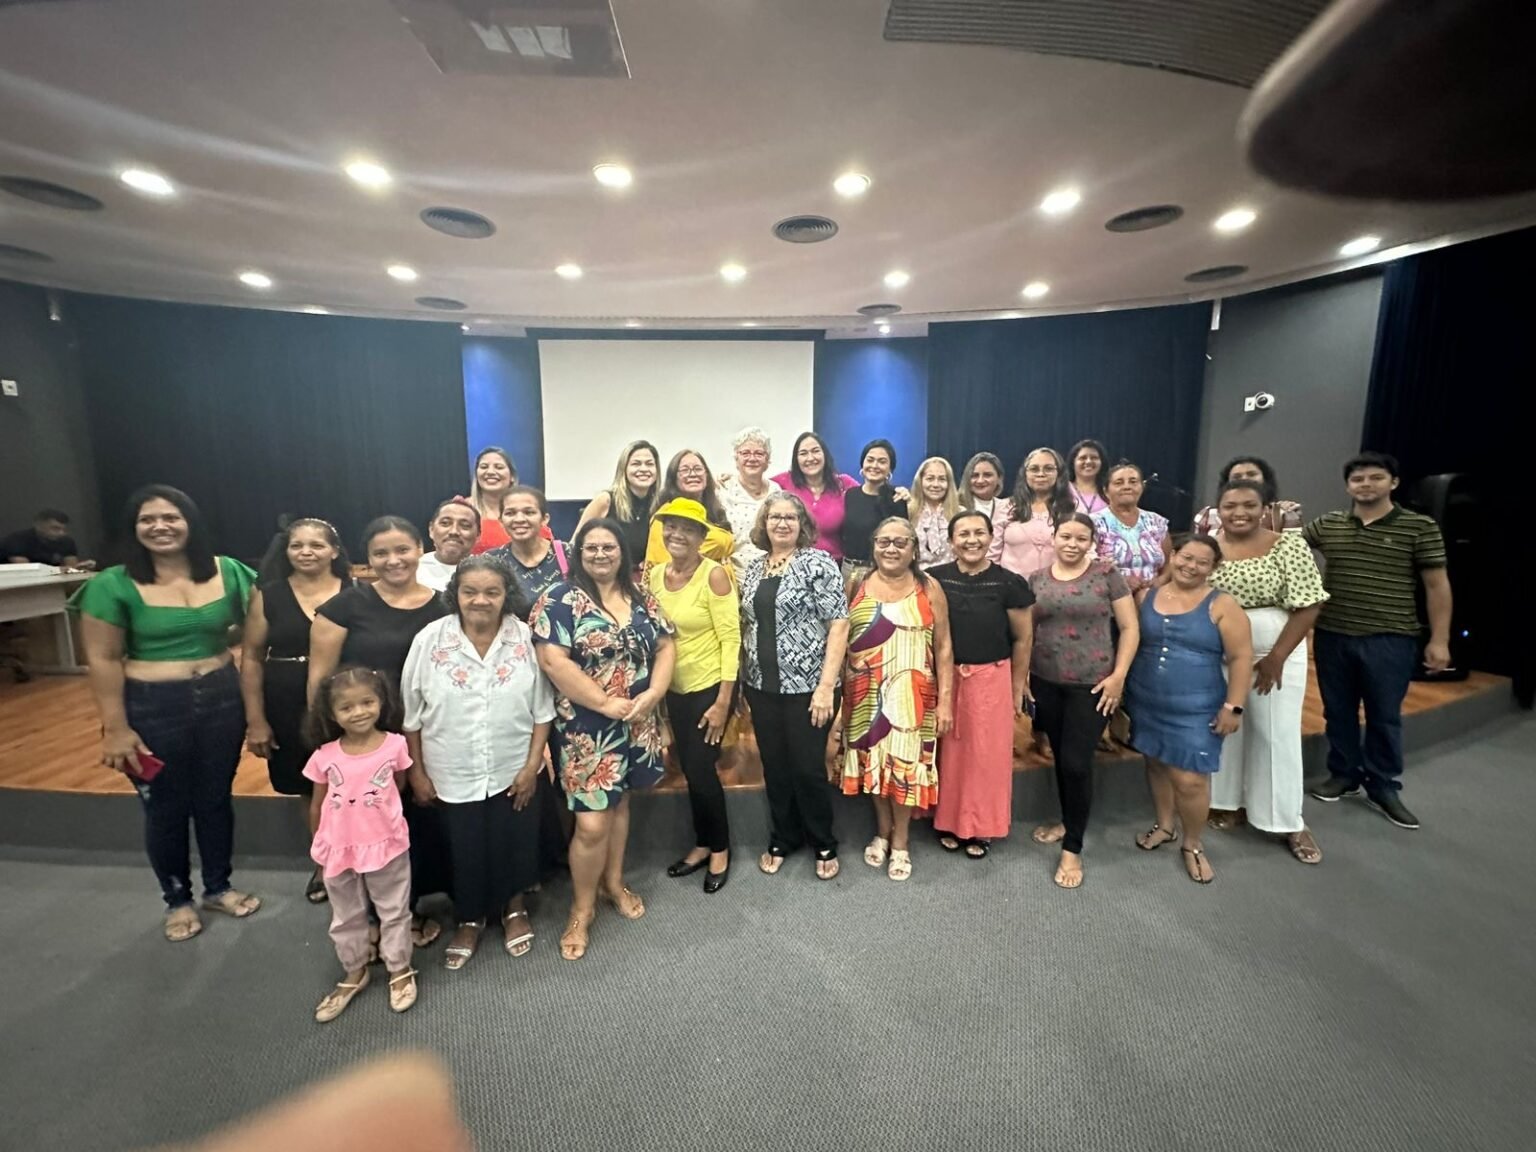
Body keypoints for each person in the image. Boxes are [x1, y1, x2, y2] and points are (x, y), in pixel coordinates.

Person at [73, 484, 261, 941]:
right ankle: (177, 899)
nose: (160, 526)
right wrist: (115, 728)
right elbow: (102, 659)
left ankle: (218, 886)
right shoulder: (111, 584)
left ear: (190, 522)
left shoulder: (228, 571)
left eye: (171, 517)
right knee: (164, 807)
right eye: (148, 519)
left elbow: (258, 628)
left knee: (215, 799)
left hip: (221, 698)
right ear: (133, 528)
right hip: (152, 706)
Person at [402, 556, 555, 970]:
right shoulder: (430, 640)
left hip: (513, 763)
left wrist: (531, 766)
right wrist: (417, 771)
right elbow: (411, 714)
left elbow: (543, 709)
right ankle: (469, 918)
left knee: (515, 838)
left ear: (507, 595)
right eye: (470, 591)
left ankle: (513, 908)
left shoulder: (525, 638)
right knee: (463, 846)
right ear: (456, 594)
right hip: (450, 767)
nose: (480, 600)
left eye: (492, 592)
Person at [532, 519, 675, 960]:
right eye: (590, 547)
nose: (599, 554)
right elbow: (552, 661)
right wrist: (603, 702)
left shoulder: (640, 595)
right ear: (579, 553)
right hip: (587, 728)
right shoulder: (559, 598)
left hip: (638, 719)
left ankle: (613, 882)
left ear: (622, 551)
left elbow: (666, 645)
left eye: (608, 547)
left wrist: (654, 693)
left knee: (621, 803)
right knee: (592, 822)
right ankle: (581, 909)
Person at [308, 516, 452, 947]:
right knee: (369, 824)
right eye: (381, 553)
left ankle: (409, 908)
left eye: (402, 550)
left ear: (420, 549)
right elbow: (321, 682)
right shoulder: (343, 608)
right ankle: (370, 915)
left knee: (417, 821)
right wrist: (331, 742)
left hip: (427, 735)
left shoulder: (444, 605)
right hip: (365, 740)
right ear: (367, 559)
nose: (394, 560)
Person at [1304, 452, 1452, 830]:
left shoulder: (1418, 527)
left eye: (1375, 478)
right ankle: (1344, 774)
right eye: (1358, 479)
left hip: (1391, 638)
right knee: (1337, 711)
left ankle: (1383, 785)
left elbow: (1437, 586)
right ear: (1347, 486)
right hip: (1334, 633)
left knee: (1384, 716)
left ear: (1394, 482)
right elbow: (1284, 546)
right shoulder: (1329, 524)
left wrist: (1440, 640)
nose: (1366, 485)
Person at [1205, 481, 1329, 864]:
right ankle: (1227, 803)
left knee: (1276, 734)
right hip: (1221, 651)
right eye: (1230, 506)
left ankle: (1288, 820)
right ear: (1219, 510)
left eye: (1249, 505)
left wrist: (1277, 656)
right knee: (1227, 729)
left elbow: (1309, 604)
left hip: (1274, 651)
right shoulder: (1210, 547)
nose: (1239, 512)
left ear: (1264, 509)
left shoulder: (1287, 544)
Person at [1127, 535, 1253, 884]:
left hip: (1197, 707)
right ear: (1174, 556)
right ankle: (1164, 825)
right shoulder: (1146, 596)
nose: (1190, 566)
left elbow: (1242, 657)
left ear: (1213, 567)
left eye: (1202, 562)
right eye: (1185, 557)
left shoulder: (1222, 604)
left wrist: (1234, 706)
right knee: (1155, 762)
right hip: (1146, 698)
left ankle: (1193, 843)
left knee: (1191, 780)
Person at [240, 517, 353, 903]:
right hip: (286, 699)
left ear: (334, 551)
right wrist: (256, 720)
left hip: (346, 698)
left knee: (352, 780)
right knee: (310, 784)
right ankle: (324, 863)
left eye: (316, 545)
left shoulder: (354, 590)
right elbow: (251, 657)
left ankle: (361, 856)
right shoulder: (268, 594)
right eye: (297, 545)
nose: (306, 552)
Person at [740, 494, 850, 881]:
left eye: (790, 517)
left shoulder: (817, 563)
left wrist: (826, 687)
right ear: (764, 523)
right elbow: (747, 624)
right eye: (775, 517)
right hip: (761, 685)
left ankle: (823, 841)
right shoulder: (753, 568)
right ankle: (783, 837)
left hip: (809, 687)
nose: (782, 523)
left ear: (802, 524)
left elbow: (839, 623)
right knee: (775, 766)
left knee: (807, 768)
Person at [1027, 513, 1139, 889]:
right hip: (1046, 680)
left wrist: (1118, 676)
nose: (1072, 544)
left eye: (1081, 538)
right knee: (1061, 757)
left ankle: (1073, 847)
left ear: (1091, 542)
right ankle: (1067, 821)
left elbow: (1129, 627)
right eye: (1066, 536)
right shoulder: (1037, 579)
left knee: (1076, 763)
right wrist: (1022, 676)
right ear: (1054, 537)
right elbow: (1028, 631)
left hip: (1093, 685)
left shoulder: (1106, 574)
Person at [840, 517, 954, 881]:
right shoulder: (856, 582)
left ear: (914, 550)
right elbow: (841, 641)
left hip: (912, 698)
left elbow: (944, 647)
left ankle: (901, 841)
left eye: (900, 542)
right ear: (873, 546)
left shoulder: (929, 587)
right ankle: (882, 831)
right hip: (864, 695)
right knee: (873, 765)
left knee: (904, 769)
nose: (891, 548)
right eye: (884, 541)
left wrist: (946, 701)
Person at [304, 667, 417, 1021]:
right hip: (338, 849)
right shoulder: (325, 755)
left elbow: (398, 785)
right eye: (347, 707)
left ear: (381, 702)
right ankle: (354, 969)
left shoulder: (395, 745)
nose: (359, 712)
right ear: (332, 713)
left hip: (386, 845)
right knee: (346, 915)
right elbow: (317, 804)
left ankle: (399, 968)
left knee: (394, 909)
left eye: (367, 702)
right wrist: (320, 849)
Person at [929, 511, 1035, 858]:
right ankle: (948, 821)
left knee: (985, 756)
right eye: (963, 534)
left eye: (979, 533)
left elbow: (1023, 639)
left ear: (991, 537)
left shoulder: (1010, 583)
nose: (971, 540)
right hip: (946, 678)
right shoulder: (935, 579)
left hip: (991, 679)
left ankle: (981, 826)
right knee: (949, 754)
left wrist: (1017, 686)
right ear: (951, 541)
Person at [647, 498, 740, 893]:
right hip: (674, 689)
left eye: (687, 528)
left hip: (711, 688)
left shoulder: (714, 575)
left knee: (702, 770)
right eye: (671, 526)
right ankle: (702, 842)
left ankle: (719, 848)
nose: (677, 534)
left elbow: (731, 639)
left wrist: (723, 703)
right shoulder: (655, 576)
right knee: (688, 768)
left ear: (702, 537)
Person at [770, 432, 859, 560]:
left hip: (834, 564)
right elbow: (756, 486)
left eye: (815, 451)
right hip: (792, 563)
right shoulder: (783, 482)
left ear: (825, 454)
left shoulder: (843, 483)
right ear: (796, 459)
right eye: (803, 453)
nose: (810, 458)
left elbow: (869, 495)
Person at [643, 449, 735, 568]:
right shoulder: (665, 515)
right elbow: (661, 563)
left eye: (698, 469)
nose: (692, 474)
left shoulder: (714, 510)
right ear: (673, 478)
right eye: (685, 470)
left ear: (706, 475)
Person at [992, 447, 1075, 579]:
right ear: (1025, 474)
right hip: (1010, 587)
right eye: (1034, 469)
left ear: (1059, 473)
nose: (1041, 474)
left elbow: (1085, 550)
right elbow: (992, 555)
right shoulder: (1005, 507)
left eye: (1048, 469)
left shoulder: (1073, 508)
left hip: (1059, 586)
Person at [578, 440, 660, 567]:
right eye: (636, 464)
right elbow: (576, 544)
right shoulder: (605, 500)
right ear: (624, 469)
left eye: (649, 464)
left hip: (640, 577)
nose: (644, 469)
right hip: (604, 574)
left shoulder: (660, 506)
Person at [1093, 460, 1171, 591]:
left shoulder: (1156, 521)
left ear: (1142, 487)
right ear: (1106, 491)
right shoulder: (1093, 522)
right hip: (1109, 593)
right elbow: (1085, 565)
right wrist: (1120, 581)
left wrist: (1159, 582)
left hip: (1153, 593)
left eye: (1133, 482)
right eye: (1119, 483)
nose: (1127, 487)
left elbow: (1169, 563)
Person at [718, 426, 781, 580]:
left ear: (767, 460)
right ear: (736, 459)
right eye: (745, 453)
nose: (752, 458)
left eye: (759, 453)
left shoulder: (776, 491)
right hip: (732, 577)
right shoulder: (723, 489)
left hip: (771, 575)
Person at [492, 485, 570, 605]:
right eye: (510, 513)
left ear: (544, 519)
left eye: (529, 512)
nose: (519, 519)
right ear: (501, 521)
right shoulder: (491, 561)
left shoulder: (570, 554)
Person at [1193, 456, 1304, 537]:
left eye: (1251, 474)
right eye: (1237, 476)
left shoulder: (1282, 513)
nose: (1244, 479)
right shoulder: (1207, 514)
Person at [417, 498, 479, 591]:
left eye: (465, 525)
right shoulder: (412, 569)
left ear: (478, 535)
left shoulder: (488, 572)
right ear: (431, 530)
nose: (454, 531)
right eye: (445, 523)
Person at [909, 456, 960, 569]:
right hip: (916, 575)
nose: (936, 484)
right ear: (920, 481)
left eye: (942, 479)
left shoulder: (960, 513)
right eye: (930, 478)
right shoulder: (908, 511)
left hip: (951, 576)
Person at [3, 508, 93, 568]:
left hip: (52, 581)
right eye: (55, 528)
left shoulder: (66, 541)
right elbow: (25, 570)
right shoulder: (17, 539)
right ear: (38, 525)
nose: (61, 533)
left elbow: (72, 569)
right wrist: (63, 570)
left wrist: (80, 568)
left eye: (64, 529)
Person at [466, 447, 517, 554]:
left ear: (512, 476)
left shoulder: (527, 510)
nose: (490, 472)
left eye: (499, 467)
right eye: (484, 467)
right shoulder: (462, 508)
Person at [958, 452, 1008, 523]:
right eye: (975, 475)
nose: (980, 481)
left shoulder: (1006, 508)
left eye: (987, 475)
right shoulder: (956, 505)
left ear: (999, 478)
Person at [1068, 439, 1110, 514]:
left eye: (1094, 458)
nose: (1088, 461)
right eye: (1083, 458)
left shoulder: (1109, 489)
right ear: (1073, 463)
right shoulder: (1063, 489)